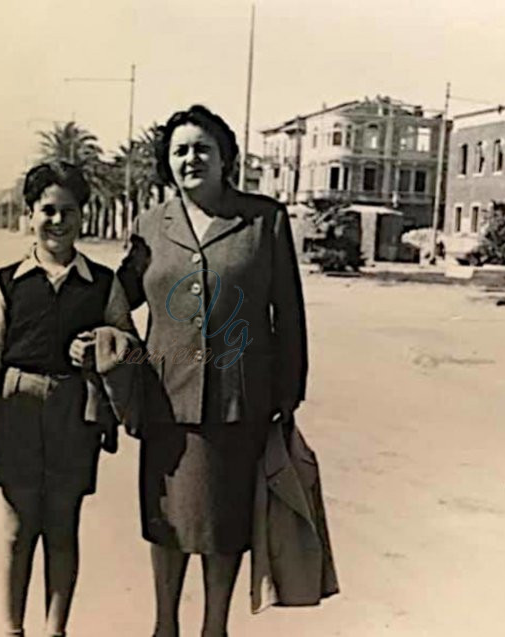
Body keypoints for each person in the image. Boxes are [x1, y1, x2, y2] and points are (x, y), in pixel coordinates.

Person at [116, 104, 308, 637]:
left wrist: (288, 394)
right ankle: (164, 627)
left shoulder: (264, 220)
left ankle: (214, 629)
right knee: (165, 521)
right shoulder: (150, 226)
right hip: (164, 400)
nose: (191, 159)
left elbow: (288, 312)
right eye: (180, 151)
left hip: (237, 402)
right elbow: (118, 299)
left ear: (227, 159)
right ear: (167, 162)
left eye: (203, 149)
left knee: (224, 526)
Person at [0, 160, 135, 637]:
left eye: (69, 211)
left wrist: (102, 343)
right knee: (18, 530)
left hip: (74, 414)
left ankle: (55, 630)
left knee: (62, 527)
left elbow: (131, 348)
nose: (58, 221)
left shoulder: (103, 283)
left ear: (83, 215)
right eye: (48, 210)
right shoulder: (7, 281)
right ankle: (12, 629)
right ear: (30, 214)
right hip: (17, 408)